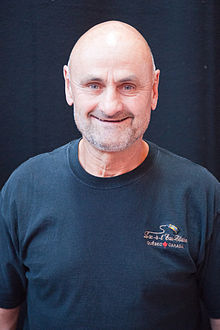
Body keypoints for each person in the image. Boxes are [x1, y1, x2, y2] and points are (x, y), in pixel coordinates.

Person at [0, 20, 219, 330]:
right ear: (68, 86)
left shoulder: (200, 194)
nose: (111, 105)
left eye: (128, 86)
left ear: (154, 90)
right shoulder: (24, 189)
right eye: (94, 85)